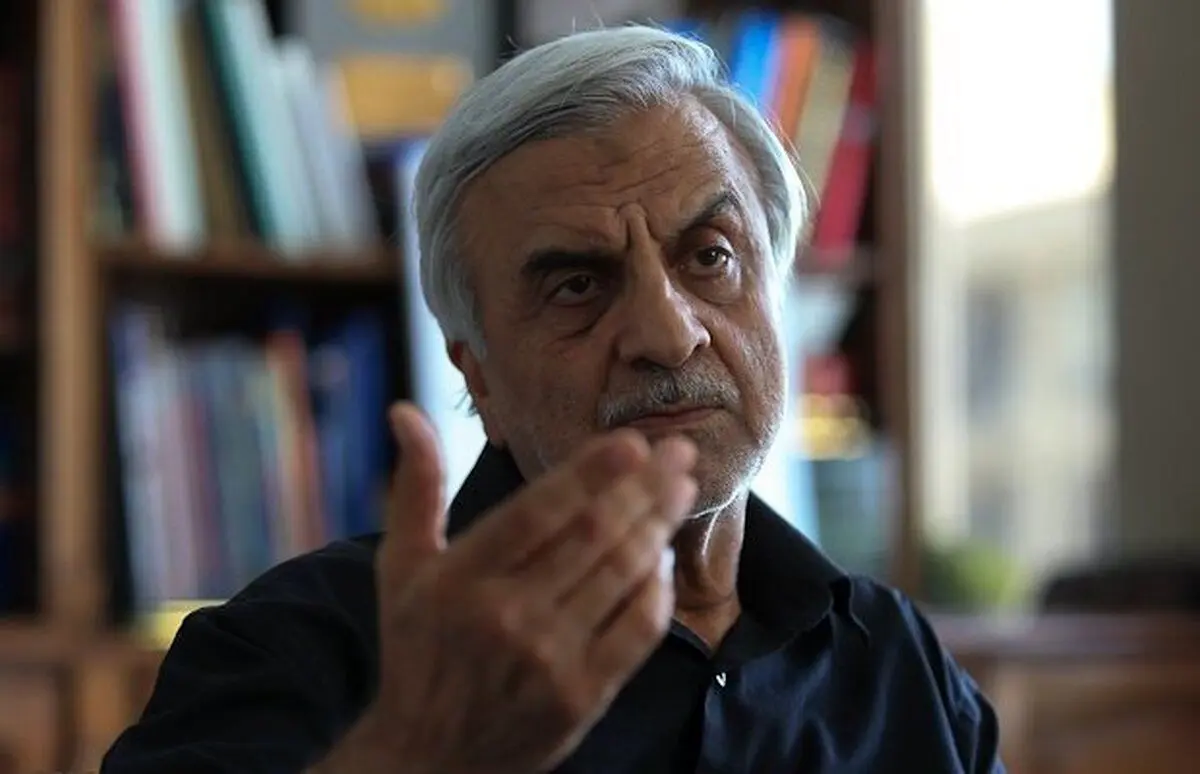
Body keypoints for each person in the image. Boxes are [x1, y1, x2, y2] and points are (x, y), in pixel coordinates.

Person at [101, 26, 1002, 774]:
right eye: (577, 286)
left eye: (711, 256)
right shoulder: (292, 649)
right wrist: (419, 749)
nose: (667, 333)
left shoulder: (898, 665)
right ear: (478, 374)